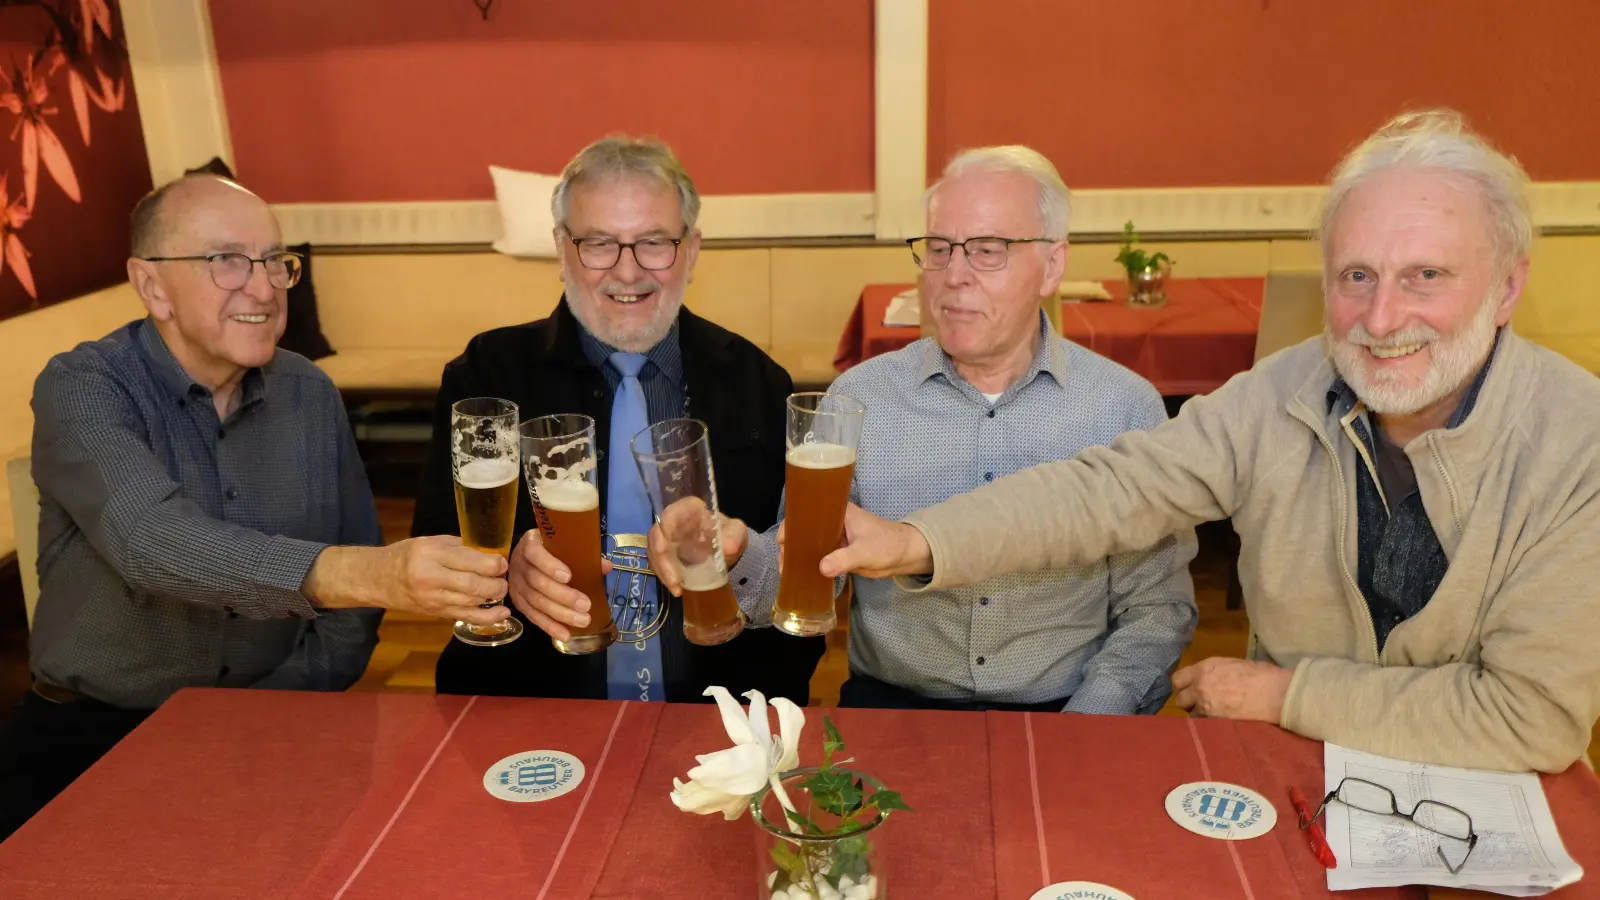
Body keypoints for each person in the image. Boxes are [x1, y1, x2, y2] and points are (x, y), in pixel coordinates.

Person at [817, 111, 1600, 773]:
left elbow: (1529, 718)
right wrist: (915, 541)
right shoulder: (1284, 391)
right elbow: (1108, 490)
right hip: (1296, 770)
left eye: (1426, 275)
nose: (1382, 318)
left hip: (1484, 796)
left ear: (1507, 286)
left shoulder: (1579, 442)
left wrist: (1284, 694)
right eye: (1356, 276)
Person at [534, 146, 1198, 714]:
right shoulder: (859, 398)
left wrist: (1083, 727)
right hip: (894, 709)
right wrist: (736, 554)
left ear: (1052, 264)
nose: (954, 275)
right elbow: (808, 577)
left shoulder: (1123, 408)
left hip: (1068, 707)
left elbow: (1155, 611)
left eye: (988, 250)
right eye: (939, 248)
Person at [0, 175, 511, 839]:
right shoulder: (82, 386)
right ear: (152, 285)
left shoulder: (309, 391)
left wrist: (285, 700)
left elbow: (352, 603)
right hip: (94, 731)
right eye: (228, 261)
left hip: (278, 718)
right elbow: (151, 542)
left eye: (275, 261)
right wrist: (373, 573)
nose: (266, 288)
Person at [416, 136, 824, 704]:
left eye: (654, 243)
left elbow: (805, 580)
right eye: (598, 243)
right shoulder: (487, 377)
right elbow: (432, 553)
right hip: (530, 707)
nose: (627, 272)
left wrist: (742, 558)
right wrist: (506, 573)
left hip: (717, 715)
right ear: (561, 249)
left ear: (692, 250)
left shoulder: (758, 382)